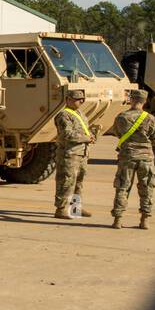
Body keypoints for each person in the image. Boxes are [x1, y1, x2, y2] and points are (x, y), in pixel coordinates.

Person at [111, 89, 155, 229]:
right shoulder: (151, 119)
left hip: (127, 156)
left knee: (122, 187)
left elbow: (117, 133)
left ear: (131, 100)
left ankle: (118, 220)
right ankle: (145, 220)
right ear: (144, 101)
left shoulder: (122, 117)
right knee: (147, 188)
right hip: (146, 158)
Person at [53, 88, 95, 219]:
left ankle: (76, 208)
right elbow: (67, 134)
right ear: (68, 100)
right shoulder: (64, 115)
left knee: (78, 182)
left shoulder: (80, 113)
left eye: (82, 99)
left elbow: (84, 130)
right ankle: (61, 209)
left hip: (81, 153)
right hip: (69, 153)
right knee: (66, 181)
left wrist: (91, 135)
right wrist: (87, 138)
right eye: (77, 99)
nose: (81, 101)